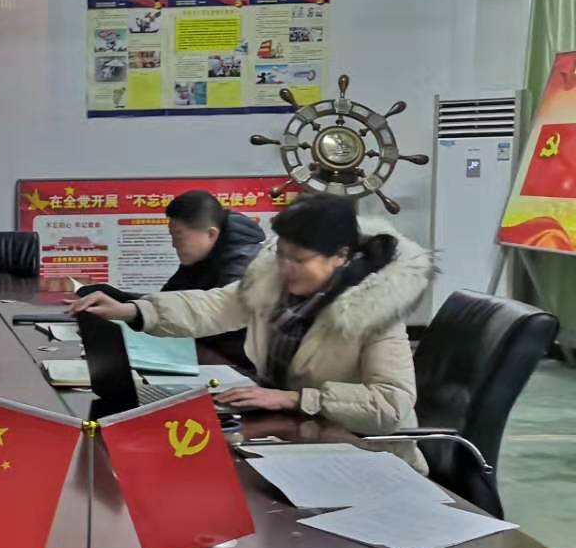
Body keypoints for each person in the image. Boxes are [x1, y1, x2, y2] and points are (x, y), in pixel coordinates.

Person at [68, 195, 434, 456]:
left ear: (341, 257)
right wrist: (133, 311)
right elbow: (213, 306)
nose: (285, 268)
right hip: (297, 439)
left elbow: (391, 404)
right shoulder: (275, 284)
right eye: (282, 256)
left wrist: (295, 399)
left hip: (365, 455)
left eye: (300, 260)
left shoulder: (376, 309)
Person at [76, 189, 265, 365]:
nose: (174, 245)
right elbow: (173, 301)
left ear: (211, 234)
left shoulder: (244, 265)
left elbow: (211, 314)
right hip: (202, 359)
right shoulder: (201, 257)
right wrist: (120, 299)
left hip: (239, 370)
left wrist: (128, 310)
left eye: (179, 236)